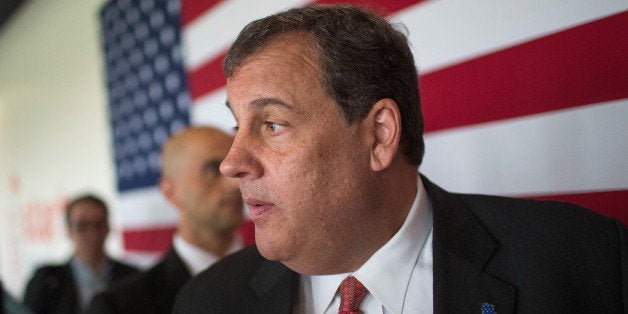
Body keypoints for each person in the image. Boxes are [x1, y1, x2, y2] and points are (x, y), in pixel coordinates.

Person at [173, 4, 627, 313]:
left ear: (379, 135)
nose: (232, 163)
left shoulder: (586, 261)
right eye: (238, 126)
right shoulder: (208, 302)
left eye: (271, 124)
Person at [87, 126, 245, 314]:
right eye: (212, 169)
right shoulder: (118, 306)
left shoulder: (285, 272)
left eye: (236, 170)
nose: (235, 184)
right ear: (170, 191)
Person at [23, 194, 139, 314]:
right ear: (69, 230)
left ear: (108, 228)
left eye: (98, 225)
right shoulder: (46, 280)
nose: (92, 234)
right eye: (82, 226)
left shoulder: (132, 277)